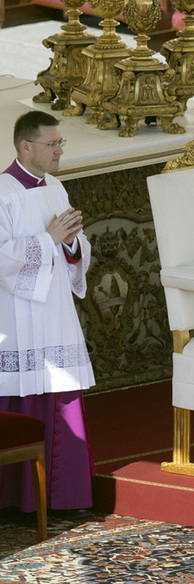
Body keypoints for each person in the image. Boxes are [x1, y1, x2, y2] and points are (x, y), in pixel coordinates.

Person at [0, 111, 93, 514]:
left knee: (62, 389)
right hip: (17, 316)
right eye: (52, 144)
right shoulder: (2, 193)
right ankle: (15, 498)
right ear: (26, 146)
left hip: (55, 313)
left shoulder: (55, 187)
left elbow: (74, 249)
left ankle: (67, 495)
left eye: (60, 143)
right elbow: (2, 260)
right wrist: (49, 238)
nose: (59, 151)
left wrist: (70, 243)